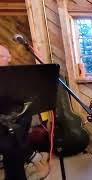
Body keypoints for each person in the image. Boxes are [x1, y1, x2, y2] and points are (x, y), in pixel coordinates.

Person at [0, 45, 49, 180]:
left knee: (12, 144)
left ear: (9, 58)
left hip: (13, 124)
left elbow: (28, 104)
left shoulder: (18, 77)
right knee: (11, 145)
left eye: (0, 57)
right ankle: (31, 156)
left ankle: (29, 158)